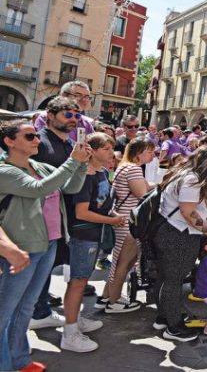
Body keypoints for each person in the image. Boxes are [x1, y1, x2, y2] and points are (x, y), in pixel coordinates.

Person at [0, 119, 89, 372]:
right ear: (9, 142)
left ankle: (19, 360)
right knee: (4, 313)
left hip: (48, 243)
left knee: (26, 307)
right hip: (20, 247)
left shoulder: (38, 165)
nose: (37, 140)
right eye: (29, 137)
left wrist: (81, 165)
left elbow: (70, 186)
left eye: (36, 136)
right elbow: (39, 189)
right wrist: (73, 160)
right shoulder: (5, 171)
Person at [152, 145, 207, 342]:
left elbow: (193, 208)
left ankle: (165, 315)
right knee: (174, 280)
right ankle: (173, 327)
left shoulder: (183, 173)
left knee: (168, 278)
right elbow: (187, 212)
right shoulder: (193, 179)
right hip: (179, 235)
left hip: (171, 232)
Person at [60, 132, 123, 352]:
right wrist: (112, 220)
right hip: (82, 236)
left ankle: (76, 318)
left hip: (95, 234)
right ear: (92, 151)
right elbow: (82, 212)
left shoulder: (103, 173)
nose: (111, 153)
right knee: (78, 281)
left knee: (82, 280)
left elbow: (103, 204)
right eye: (106, 149)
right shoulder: (84, 175)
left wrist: (113, 214)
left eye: (111, 148)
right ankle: (69, 332)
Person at [28, 98, 82, 330]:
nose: (73, 120)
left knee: (48, 267)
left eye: (76, 116)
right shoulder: (38, 142)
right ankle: (33, 313)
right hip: (38, 217)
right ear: (50, 115)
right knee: (35, 270)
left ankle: (40, 310)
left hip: (62, 216)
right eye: (67, 115)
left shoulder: (70, 144)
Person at [100, 137, 156, 313]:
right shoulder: (133, 169)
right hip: (128, 221)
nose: (153, 155)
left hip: (123, 218)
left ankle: (107, 297)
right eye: (149, 151)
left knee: (120, 260)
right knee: (123, 262)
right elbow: (142, 193)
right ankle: (114, 301)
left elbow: (145, 187)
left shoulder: (126, 167)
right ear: (138, 153)